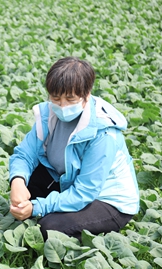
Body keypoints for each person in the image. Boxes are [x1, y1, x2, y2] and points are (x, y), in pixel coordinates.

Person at [9, 57, 139, 239]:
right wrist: (17, 181)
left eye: (70, 99)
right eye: (56, 98)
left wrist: (36, 207)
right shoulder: (48, 115)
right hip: (69, 182)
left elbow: (85, 191)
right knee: (23, 191)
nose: (62, 106)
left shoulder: (103, 134)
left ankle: (95, 230)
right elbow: (24, 154)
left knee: (50, 227)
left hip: (106, 200)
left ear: (87, 95)